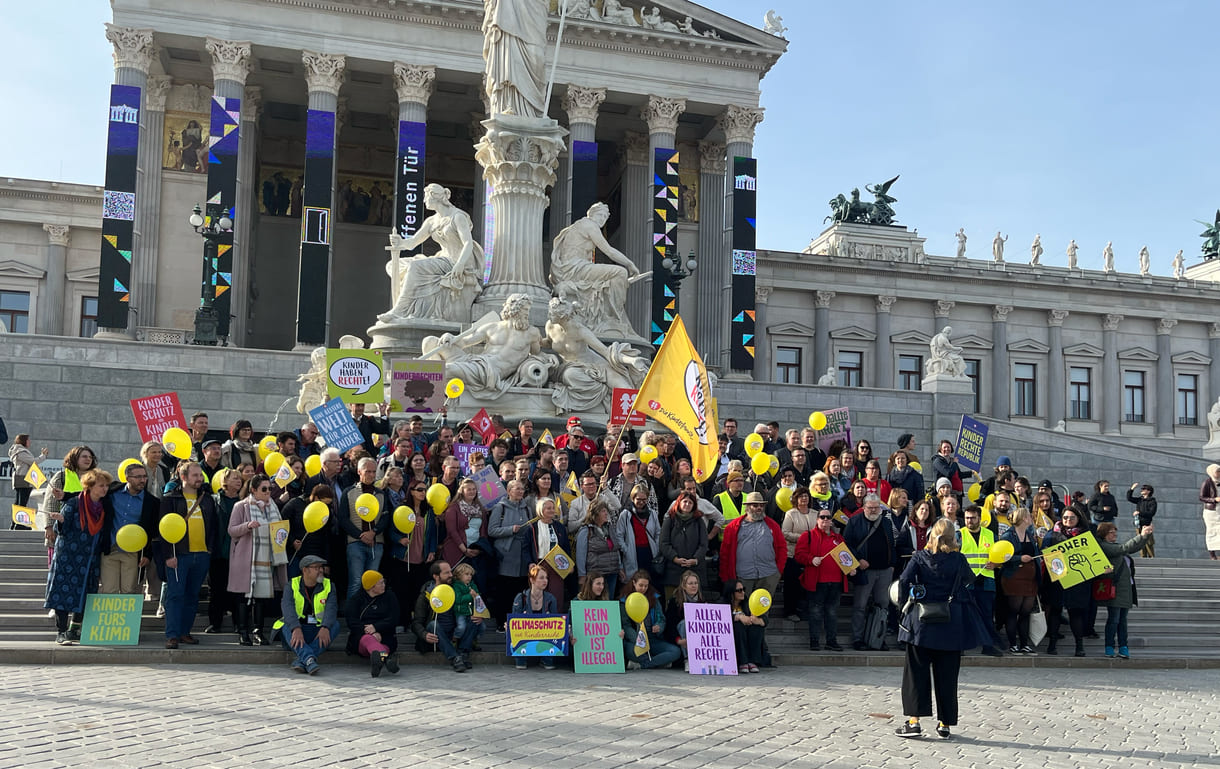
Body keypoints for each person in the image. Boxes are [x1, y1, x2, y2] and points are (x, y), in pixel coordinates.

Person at [894, 519, 981, 740]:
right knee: (948, 676)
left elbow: (904, 580)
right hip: (951, 623)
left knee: (915, 674)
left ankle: (914, 722)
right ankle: (945, 724)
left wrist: (905, 605)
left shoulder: (920, 557)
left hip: (921, 624)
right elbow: (970, 581)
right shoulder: (959, 559)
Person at [44, 469, 111, 644]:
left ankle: (74, 630)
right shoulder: (74, 503)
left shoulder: (104, 506)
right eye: (101, 485)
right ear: (90, 487)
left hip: (89, 558)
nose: (105, 489)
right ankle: (61, 631)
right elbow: (62, 531)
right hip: (68, 556)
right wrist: (60, 521)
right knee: (64, 593)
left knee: (87, 592)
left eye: (106, 486)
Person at [157, 461, 219, 649]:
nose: (199, 479)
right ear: (183, 477)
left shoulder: (207, 499)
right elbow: (163, 529)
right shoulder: (170, 499)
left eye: (200, 475)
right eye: (195, 475)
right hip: (179, 555)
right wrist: (168, 555)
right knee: (175, 595)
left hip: (201, 555)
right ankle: (172, 635)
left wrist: (209, 550)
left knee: (192, 596)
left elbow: (214, 527)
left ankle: (185, 632)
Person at [228, 474, 288, 647]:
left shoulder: (273, 508)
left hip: (265, 559)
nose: (268, 492)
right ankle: (243, 632)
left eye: (270, 489)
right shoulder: (241, 506)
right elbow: (232, 530)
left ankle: (258, 632)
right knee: (243, 597)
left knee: (260, 598)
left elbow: (279, 531)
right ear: (253, 490)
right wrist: (247, 526)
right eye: (264, 489)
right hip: (246, 559)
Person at [795, 505, 852, 651]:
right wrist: (811, 559)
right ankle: (814, 641)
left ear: (832, 521)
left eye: (828, 517)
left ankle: (831, 641)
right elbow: (798, 555)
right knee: (815, 612)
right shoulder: (807, 536)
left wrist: (850, 568)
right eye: (822, 517)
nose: (825, 520)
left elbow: (845, 557)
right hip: (817, 582)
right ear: (817, 520)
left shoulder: (838, 538)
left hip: (835, 582)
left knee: (832, 613)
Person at [844, 493, 896, 650]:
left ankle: (878, 638)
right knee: (860, 605)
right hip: (865, 571)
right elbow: (846, 544)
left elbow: (892, 544)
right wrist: (858, 559)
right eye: (870, 507)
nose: (873, 510)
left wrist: (892, 564)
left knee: (883, 606)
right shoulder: (854, 521)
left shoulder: (886, 522)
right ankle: (858, 639)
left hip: (885, 570)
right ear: (863, 507)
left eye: (876, 507)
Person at [1096, 521, 1155, 658]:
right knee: (1114, 620)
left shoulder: (1114, 546)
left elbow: (1131, 548)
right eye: (1111, 532)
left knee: (1122, 621)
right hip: (1115, 590)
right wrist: (1141, 535)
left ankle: (1123, 647)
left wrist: (1144, 536)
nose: (1114, 534)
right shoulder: (1104, 547)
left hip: (1126, 590)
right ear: (1104, 534)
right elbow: (1124, 548)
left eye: (1115, 531)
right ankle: (1109, 646)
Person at [412, 560, 482, 672]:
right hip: (438, 634)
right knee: (432, 624)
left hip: (456, 633)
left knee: (473, 621)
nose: (451, 575)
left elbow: (475, 601)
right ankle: (455, 658)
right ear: (436, 576)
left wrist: (478, 614)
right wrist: (424, 634)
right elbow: (416, 622)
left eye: (451, 571)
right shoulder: (427, 594)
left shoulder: (457, 587)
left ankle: (463, 653)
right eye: (446, 573)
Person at [100, 462, 158, 595]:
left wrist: (147, 554)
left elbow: (151, 531)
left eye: (144, 476)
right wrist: (64, 495)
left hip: (133, 552)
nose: (142, 480)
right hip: (110, 548)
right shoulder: (111, 492)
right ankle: (110, 616)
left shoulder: (152, 502)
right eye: (137, 477)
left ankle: (127, 617)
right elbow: (89, 493)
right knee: (108, 590)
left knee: (129, 591)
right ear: (127, 478)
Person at [276, 555, 339, 675]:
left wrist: (325, 627)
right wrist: (296, 628)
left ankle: (303, 660)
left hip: (317, 631)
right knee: (284, 625)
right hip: (297, 632)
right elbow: (287, 609)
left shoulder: (329, 585)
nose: (321, 570)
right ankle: (309, 659)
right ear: (305, 570)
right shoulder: (291, 585)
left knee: (334, 626)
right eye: (316, 567)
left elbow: (332, 609)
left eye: (321, 567)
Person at [718, 491, 786, 599]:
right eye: (755, 505)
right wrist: (726, 576)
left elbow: (782, 548)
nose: (759, 508)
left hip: (768, 574)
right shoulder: (733, 527)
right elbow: (725, 553)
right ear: (747, 507)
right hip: (744, 576)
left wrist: (778, 570)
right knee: (743, 609)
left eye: (761, 505)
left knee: (764, 610)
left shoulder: (773, 525)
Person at [339, 457, 390, 599]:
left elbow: (385, 517)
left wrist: (373, 532)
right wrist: (361, 535)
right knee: (356, 581)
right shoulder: (349, 492)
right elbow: (343, 518)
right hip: (355, 543)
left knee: (373, 583)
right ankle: (353, 617)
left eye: (374, 472)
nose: (372, 475)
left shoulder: (380, 494)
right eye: (368, 471)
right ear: (359, 472)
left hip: (376, 543)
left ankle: (369, 614)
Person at [1041, 509, 1089, 656]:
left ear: (1078, 518)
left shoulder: (1085, 535)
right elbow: (1045, 552)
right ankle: (1052, 645)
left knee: (1075, 613)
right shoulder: (1052, 533)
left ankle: (1079, 646)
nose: (1068, 520)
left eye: (1072, 517)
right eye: (1065, 517)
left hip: (1077, 580)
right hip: (1057, 579)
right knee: (1055, 612)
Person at [958, 505, 1003, 656]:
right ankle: (961, 646)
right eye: (967, 518)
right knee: (964, 615)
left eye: (973, 518)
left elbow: (1001, 555)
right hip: (966, 581)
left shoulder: (990, 534)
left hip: (986, 579)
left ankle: (988, 646)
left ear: (979, 518)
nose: (969, 521)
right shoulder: (960, 534)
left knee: (987, 615)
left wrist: (996, 564)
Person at [488, 479, 532, 626]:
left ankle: (518, 623)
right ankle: (502, 623)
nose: (520, 491)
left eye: (522, 489)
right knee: (504, 593)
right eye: (517, 489)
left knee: (520, 592)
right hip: (506, 556)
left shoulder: (527, 508)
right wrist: (510, 530)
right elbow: (492, 530)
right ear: (509, 491)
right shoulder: (500, 508)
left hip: (522, 557)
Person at [998, 507, 1041, 654]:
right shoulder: (1008, 535)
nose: (1031, 518)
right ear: (1024, 518)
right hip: (1014, 577)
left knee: (1025, 611)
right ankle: (1012, 643)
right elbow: (1003, 557)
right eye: (1029, 516)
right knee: (1013, 610)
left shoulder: (1030, 534)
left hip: (1030, 578)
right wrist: (1019, 558)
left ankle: (1024, 643)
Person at [619, 569, 681, 671]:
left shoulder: (654, 598)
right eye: (641, 585)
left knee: (675, 651)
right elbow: (626, 625)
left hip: (652, 639)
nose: (643, 588)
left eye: (646, 586)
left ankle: (644, 664)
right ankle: (657, 662)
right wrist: (637, 640)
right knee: (630, 651)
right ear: (634, 583)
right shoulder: (625, 601)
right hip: (635, 640)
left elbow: (661, 618)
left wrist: (659, 626)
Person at [346, 569, 401, 677]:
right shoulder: (356, 599)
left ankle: (379, 659)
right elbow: (352, 621)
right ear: (371, 586)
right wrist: (369, 632)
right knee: (368, 639)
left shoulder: (390, 596)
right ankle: (385, 659)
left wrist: (376, 627)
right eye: (380, 583)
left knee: (382, 644)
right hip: (362, 636)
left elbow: (394, 618)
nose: (384, 585)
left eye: (383, 582)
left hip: (385, 635)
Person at [510, 563, 561, 670]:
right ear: (532, 580)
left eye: (546, 578)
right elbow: (514, 620)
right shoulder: (521, 598)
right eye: (541, 578)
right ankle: (521, 659)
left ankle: (546, 659)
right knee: (510, 631)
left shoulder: (551, 599)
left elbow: (556, 621)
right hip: (526, 633)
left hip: (545, 633)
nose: (545, 581)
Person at [659, 491, 708, 599]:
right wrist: (675, 558)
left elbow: (704, 544)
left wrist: (695, 559)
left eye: (690, 503)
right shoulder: (670, 519)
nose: (687, 504)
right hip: (673, 570)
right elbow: (664, 543)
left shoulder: (699, 521)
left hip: (695, 570)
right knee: (673, 604)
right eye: (685, 501)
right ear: (679, 503)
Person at [526, 498, 572, 610]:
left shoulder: (559, 527)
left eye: (553, 508)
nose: (552, 510)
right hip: (539, 564)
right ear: (541, 510)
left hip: (557, 565)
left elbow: (566, 547)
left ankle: (556, 620)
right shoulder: (532, 527)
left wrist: (569, 565)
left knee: (557, 594)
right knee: (538, 594)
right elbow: (526, 548)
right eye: (548, 508)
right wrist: (530, 563)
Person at [781, 485, 818, 622]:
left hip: (811, 555)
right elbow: (784, 533)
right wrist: (803, 537)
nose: (804, 498)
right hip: (793, 555)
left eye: (806, 496)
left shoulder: (815, 513)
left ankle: (806, 611)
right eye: (801, 496)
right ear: (796, 499)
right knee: (792, 584)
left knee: (809, 585)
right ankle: (790, 611)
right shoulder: (790, 514)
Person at [615, 482, 663, 588]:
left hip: (650, 552)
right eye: (638, 499)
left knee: (649, 583)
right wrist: (625, 549)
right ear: (633, 498)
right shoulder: (626, 515)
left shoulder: (652, 513)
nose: (641, 502)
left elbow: (658, 532)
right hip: (633, 552)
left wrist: (656, 547)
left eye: (644, 499)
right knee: (634, 582)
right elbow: (619, 535)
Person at [664, 569, 704, 671]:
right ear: (683, 585)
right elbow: (670, 624)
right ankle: (688, 659)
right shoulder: (675, 602)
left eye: (696, 583)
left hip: (698, 637)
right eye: (690, 583)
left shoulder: (702, 601)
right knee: (684, 623)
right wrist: (678, 640)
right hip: (680, 637)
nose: (694, 586)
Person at [726, 578, 767, 673]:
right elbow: (720, 616)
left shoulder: (748, 603)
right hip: (733, 632)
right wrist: (738, 617)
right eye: (739, 590)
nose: (743, 592)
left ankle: (753, 661)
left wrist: (758, 621)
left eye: (743, 589)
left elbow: (764, 619)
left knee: (757, 628)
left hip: (749, 630)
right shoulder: (723, 602)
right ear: (731, 592)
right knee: (738, 627)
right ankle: (743, 661)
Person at [9, 433, 48, 524]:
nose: (29, 442)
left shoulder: (18, 450)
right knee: (22, 502)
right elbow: (34, 461)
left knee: (19, 502)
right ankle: (20, 524)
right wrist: (43, 455)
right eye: (28, 440)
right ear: (23, 441)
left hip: (21, 478)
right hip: (23, 479)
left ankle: (15, 523)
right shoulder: (21, 452)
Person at [1126, 483, 1157, 558]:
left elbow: (1151, 513)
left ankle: (1151, 557)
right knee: (1140, 542)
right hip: (1139, 524)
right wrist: (1132, 489)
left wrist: (1140, 513)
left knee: (1149, 542)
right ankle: (1142, 556)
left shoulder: (1152, 501)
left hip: (1147, 524)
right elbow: (1129, 498)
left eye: (1144, 489)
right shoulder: (1140, 500)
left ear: (1148, 491)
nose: (1142, 490)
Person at [1201, 464, 1220, 560]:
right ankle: (1212, 554)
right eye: (1218, 471)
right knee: (1212, 531)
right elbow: (1202, 497)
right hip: (1211, 511)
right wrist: (1214, 500)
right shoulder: (1207, 483)